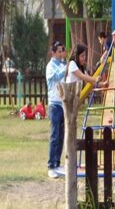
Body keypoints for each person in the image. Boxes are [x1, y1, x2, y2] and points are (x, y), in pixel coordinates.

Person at [45, 41, 68, 179]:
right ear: (53, 53)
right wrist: (66, 69)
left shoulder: (63, 65)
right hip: (54, 104)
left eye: (62, 51)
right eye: (58, 51)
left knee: (61, 136)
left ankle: (57, 163)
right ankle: (51, 166)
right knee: (54, 136)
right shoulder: (50, 66)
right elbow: (55, 77)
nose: (61, 53)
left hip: (62, 103)